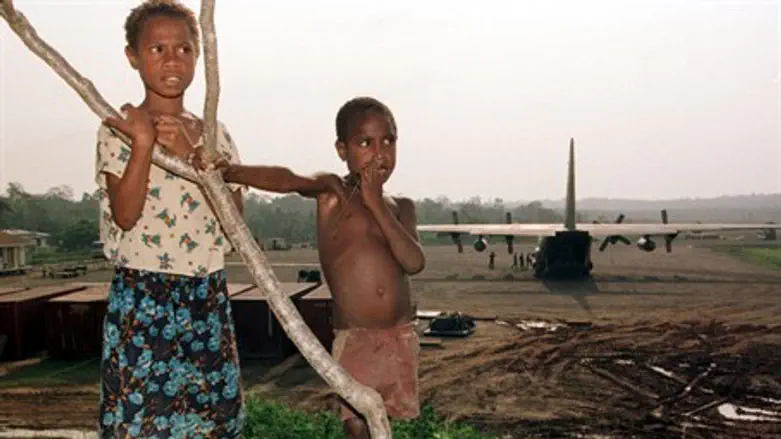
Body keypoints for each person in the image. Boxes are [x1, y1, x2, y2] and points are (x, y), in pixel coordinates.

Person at [197, 96, 425, 438]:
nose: (379, 153)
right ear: (342, 150)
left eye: (388, 141)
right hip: (357, 339)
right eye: (365, 143)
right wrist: (230, 171)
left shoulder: (402, 206)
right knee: (358, 426)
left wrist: (376, 203)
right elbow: (289, 179)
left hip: (400, 336)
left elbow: (413, 261)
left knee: (387, 427)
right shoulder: (333, 191)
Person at [94, 1, 246, 437]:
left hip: (206, 295)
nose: (172, 60)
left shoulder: (215, 134)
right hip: (143, 298)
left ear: (198, 54)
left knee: (211, 423)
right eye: (157, 49)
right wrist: (143, 144)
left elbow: (235, 226)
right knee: (141, 423)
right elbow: (126, 216)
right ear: (133, 57)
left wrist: (194, 157)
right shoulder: (119, 129)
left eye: (183, 48)